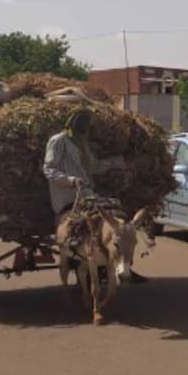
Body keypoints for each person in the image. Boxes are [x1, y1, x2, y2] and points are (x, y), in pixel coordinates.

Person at [43, 107, 147, 284]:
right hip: (67, 196)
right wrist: (70, 180)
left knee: (112, 213)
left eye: (87, 123)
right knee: (80, 221)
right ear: (72, 123)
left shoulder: (83, 145)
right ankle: (72, 249)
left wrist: (118, 162)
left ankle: (119, 262)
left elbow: (94, 167)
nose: (84, 127)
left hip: (87, 193)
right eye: (81, 123)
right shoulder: (58, 141)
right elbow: (49, 169)